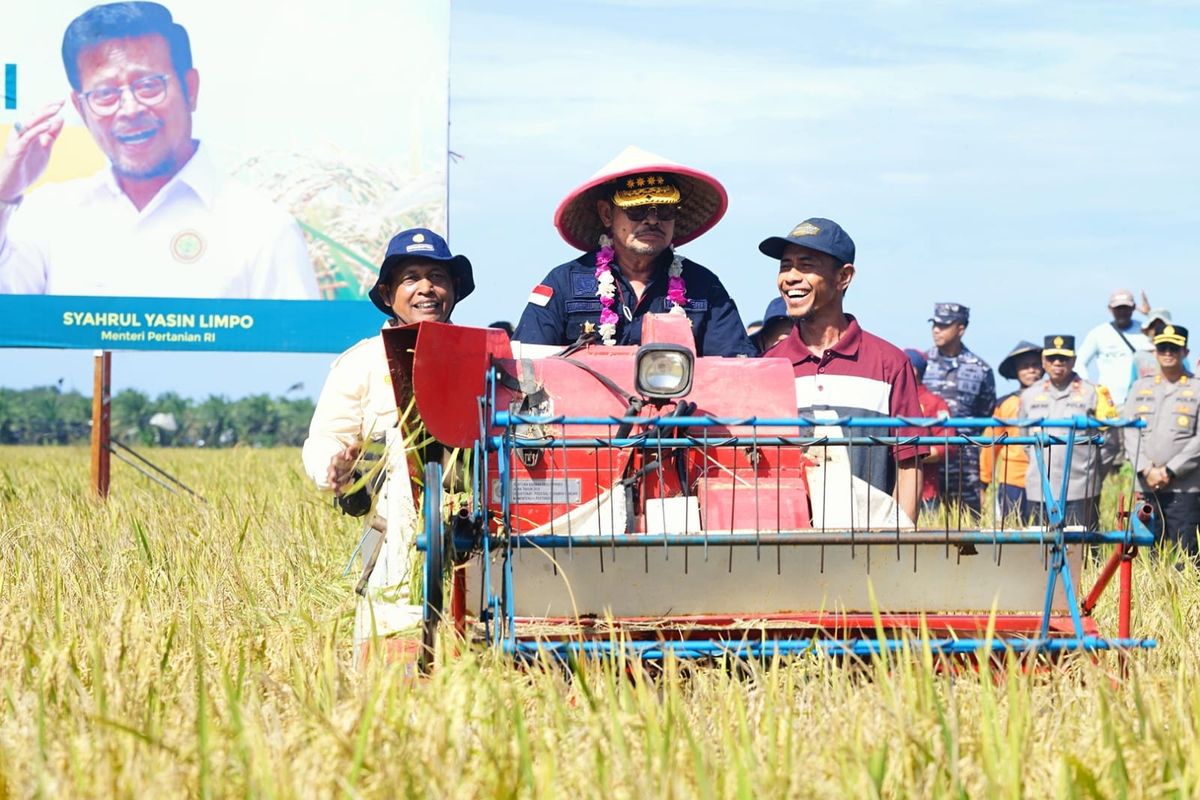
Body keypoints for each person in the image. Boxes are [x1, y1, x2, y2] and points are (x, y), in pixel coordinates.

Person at [0, 2, 318, 299]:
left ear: (190, 89)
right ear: (81, 110)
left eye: (149, 85)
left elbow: (299, 357)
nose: (130, 109)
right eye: (105, 94)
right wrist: (4, 194)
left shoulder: (262, 229)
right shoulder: (48, 216)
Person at [302, 228, 472, 665]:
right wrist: (336, 469)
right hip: (397, 537)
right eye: (411, 277)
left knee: (482, 655)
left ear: (453, 290)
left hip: (479, 535)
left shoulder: (483, 354)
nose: (426, 288)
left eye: (437, 276)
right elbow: (325, 440)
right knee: (392, 664)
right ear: (388, 294)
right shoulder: (360, 361)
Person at [514, 146, 755, 357]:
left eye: (664, 210)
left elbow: (738, 368)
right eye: (637, 210)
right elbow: (524, 367)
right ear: (607, 214)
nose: (652, 220)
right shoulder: (563, 284)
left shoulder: (704, 287)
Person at [760, 217, 925, 523]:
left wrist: (902, 544)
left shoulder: (889, 363)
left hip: (868, 545)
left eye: (806, 265)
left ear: (843, 277)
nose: (790, 278)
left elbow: (909, 463)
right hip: (785, 549)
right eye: (785, 266)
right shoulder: (769, 366)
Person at [1020, 335, 1119, 529]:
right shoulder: (1030, 394)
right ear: (1043, 361)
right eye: (1052, 358)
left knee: (1081, 552)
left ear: (1073, 360)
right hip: (1039, 488)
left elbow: (1111, 440)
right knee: (1039, 552)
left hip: (1080, 489)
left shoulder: (1094, 393)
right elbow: (1024, 440)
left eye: (1064, 358)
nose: (1058, 363)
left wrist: (1092, 472)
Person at [1123, 325, 1200, 560]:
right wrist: (1147, 469)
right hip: (1146, 485)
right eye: (1163, 347)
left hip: (1183, 487)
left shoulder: (1196, 388)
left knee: (1184, 557)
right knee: (1146, 557)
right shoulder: (1140, 387)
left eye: (1174, 348)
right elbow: (1129, 431)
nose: (1168, 353)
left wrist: (1169, 470)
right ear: (1155, 352)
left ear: (1185, 353)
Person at [922, 302, 996, 515]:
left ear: (961, 329)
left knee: (967, 522)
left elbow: (985, 411)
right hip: (930, 456)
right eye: (934, 324)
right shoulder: (921, 364)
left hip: (964, 459)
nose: (937, 329)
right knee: (926, 521)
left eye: (944, 325)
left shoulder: (980, 369)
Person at [980, 341, 1044, 521]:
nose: (1031, 370)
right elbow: (990, 445)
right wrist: (984, 482)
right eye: (1025, 366)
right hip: (1013, 479)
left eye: (1035, 365)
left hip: (1045, 478)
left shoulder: (1052, 400)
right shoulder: (1005, 404)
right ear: (1016, 371)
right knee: (1011, 532)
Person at [1077, 289, 1150, 406]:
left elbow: (1168, 347)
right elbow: (1079, 363)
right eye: (1118, 308)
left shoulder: (1145, 331)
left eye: (1125, 308)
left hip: (1141, 400)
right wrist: (1090, 387)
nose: (1122, 312)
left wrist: (1151, 315)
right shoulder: (1099, 333)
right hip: (1108, 402)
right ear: (1110, 309)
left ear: (1133, 308)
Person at [904, 348, 953, 513]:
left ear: (914, 370)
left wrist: (910, 456)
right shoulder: (889, 398)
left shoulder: (935, 403)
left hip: (926, 495)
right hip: (890, 489)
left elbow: (948, 445)